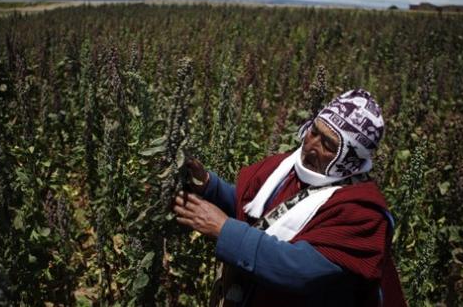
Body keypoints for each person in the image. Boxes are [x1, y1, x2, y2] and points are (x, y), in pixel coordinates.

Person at [173, 89, 407, 306]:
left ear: (349, 158)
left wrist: (224, 229)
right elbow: (259, 213)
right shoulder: (288, 168)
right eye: (314, 131)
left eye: (328, 144)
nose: (311, 145)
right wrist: (210, 187)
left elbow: (300, 270)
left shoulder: (362, 213)